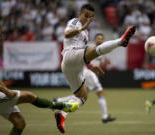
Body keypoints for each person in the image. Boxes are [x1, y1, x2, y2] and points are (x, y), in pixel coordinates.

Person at [0, 23, 79, 135]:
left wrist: (5, 89)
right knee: (29, 96)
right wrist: (5, 91)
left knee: (19, 123)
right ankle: (62, 106)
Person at [54, 4, 136, 133]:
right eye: (86, 15)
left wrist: (92, 66)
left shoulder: (86, 33)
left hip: (73, 67)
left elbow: (83, 56)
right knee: (95, 49)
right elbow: (67, 34)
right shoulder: (75, 22)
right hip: (70, 55)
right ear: (80, 14)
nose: (88, 19)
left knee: (82, 97)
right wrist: (81, 28)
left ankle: (61, 114)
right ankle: (120, 41)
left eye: (90, 17)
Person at [83, 33, 116, 123]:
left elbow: (98, 63)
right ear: (94, 40)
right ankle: (104, 117)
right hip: (89, 73)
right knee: (100, 93)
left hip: (89, 74)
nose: (99, 40)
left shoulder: (102, 50)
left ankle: (58, 101)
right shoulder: (91, 49)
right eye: (97, 38)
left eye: (101, 39)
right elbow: (87, 61)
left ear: (103, 41)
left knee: (81, 97)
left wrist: (105, 63)